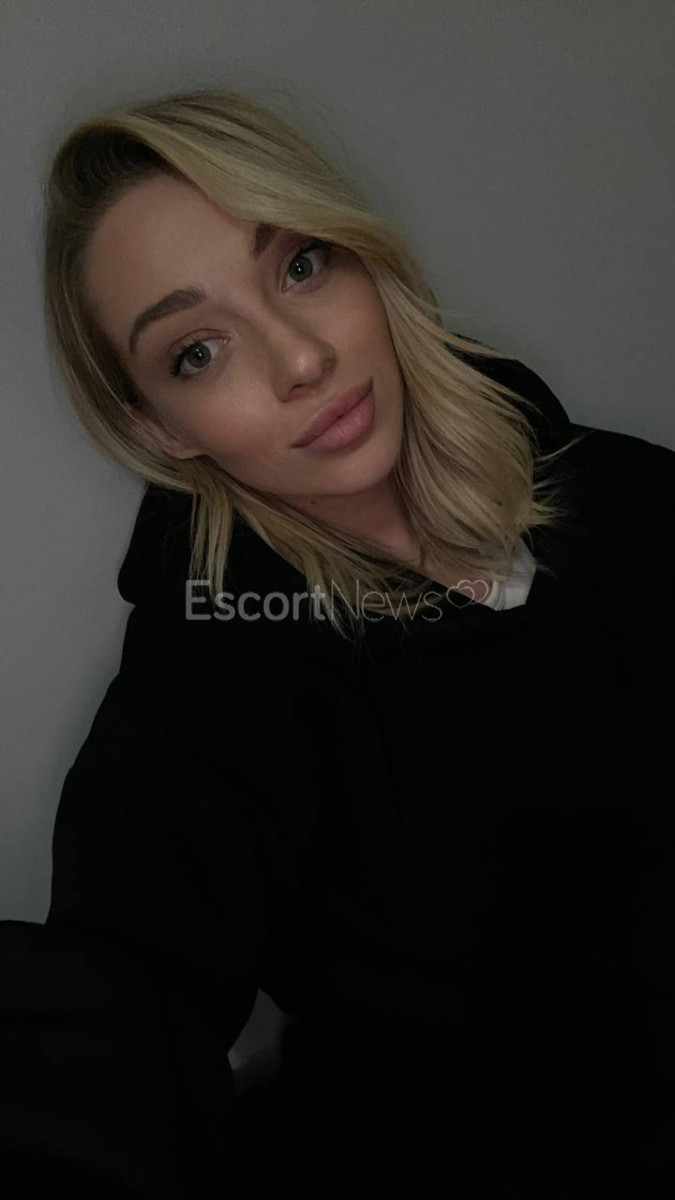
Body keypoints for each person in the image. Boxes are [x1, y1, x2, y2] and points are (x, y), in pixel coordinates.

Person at [1, 85, 673, 1198]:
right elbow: (120, 1014)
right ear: (158, 424)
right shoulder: (216, 678)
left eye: (300, 266)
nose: (300, 360)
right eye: (198, 350)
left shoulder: (634, 496)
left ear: (365, 257)